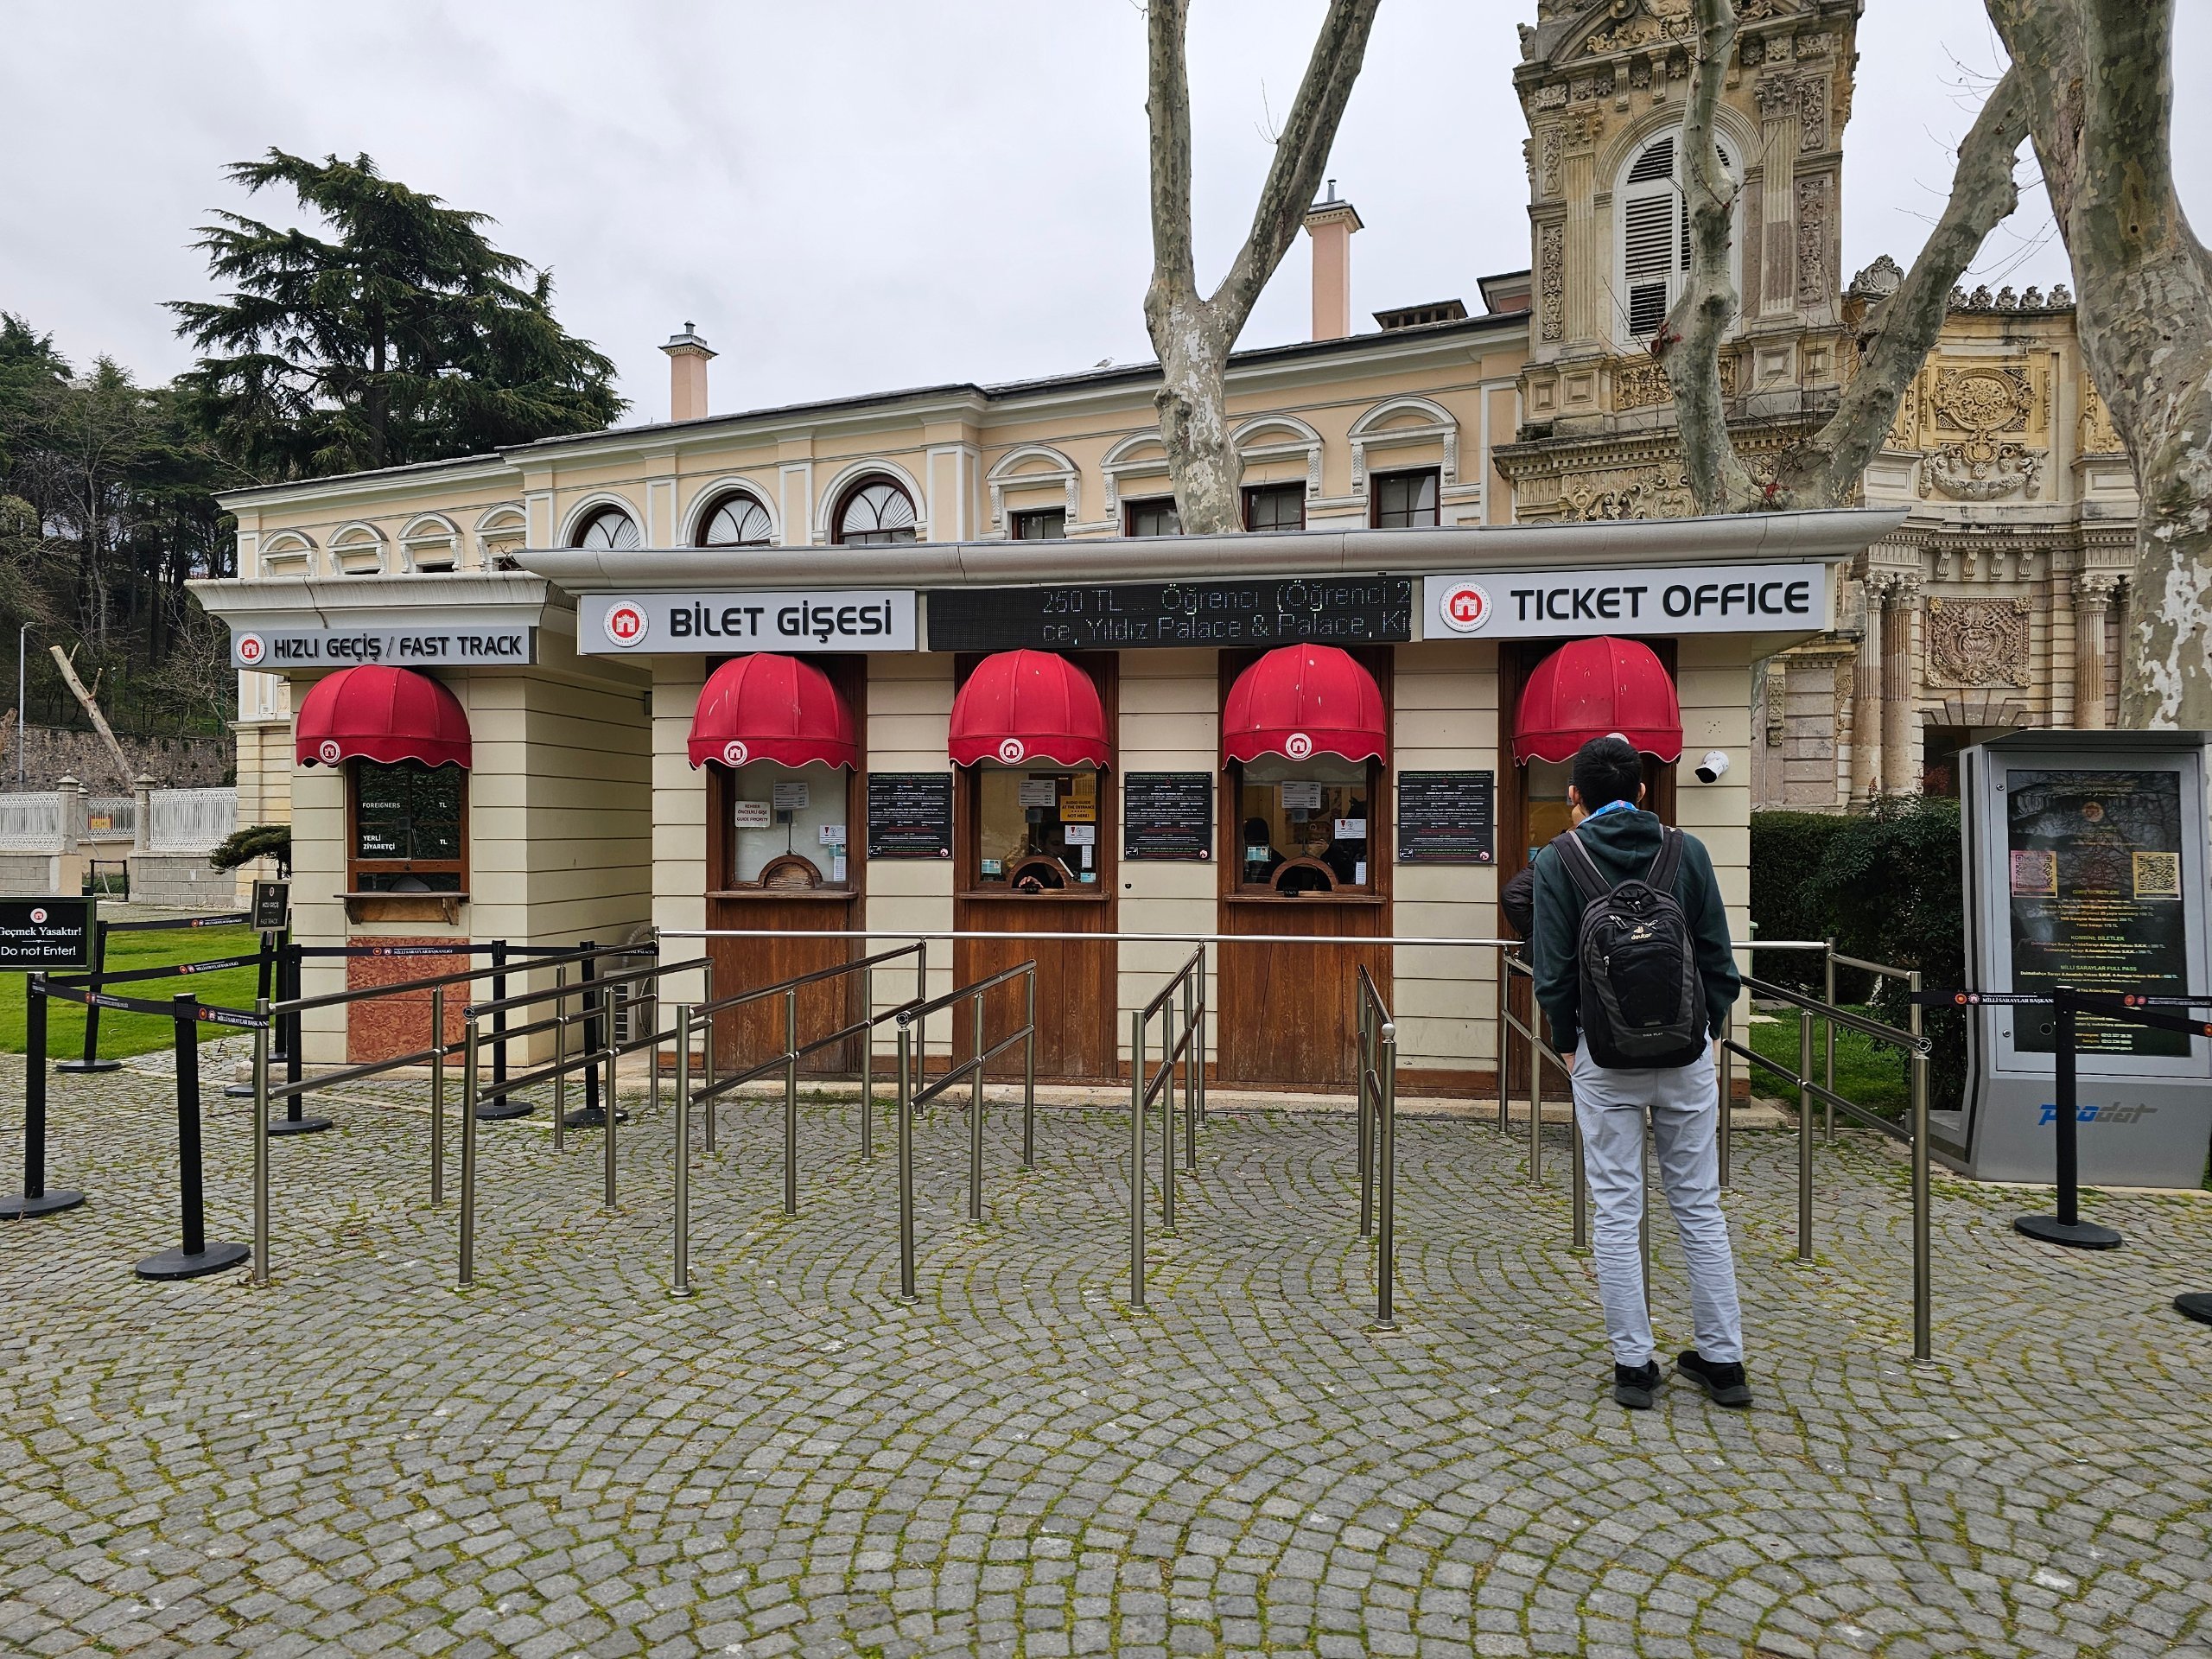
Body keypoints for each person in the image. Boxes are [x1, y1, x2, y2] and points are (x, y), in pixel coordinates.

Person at [1529, 734, 1750, 1412]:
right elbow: (1718, 958)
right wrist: (1706, 1030)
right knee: (1700, 1205)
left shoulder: (1558, 859)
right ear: (1644, 791)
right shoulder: (1689, 852)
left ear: (1575, 795)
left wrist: (1567, 1043)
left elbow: (1553, 970)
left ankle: (1633, 1365)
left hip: (1603, 1054)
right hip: (1685, 1055)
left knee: (1617, 1207)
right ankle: (1724, 1362)